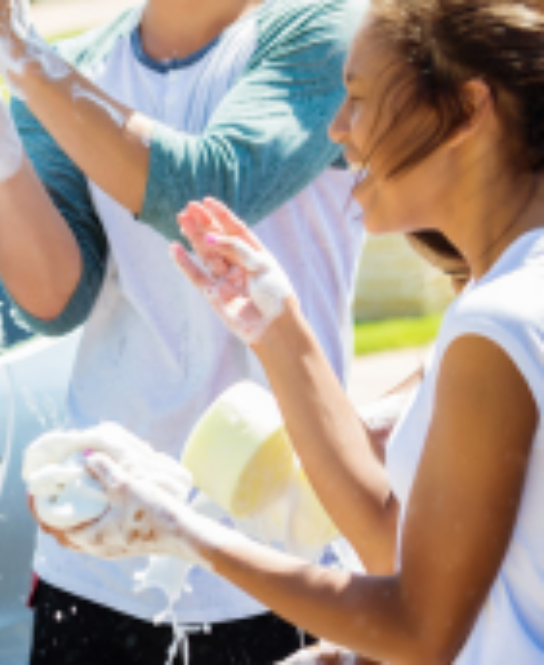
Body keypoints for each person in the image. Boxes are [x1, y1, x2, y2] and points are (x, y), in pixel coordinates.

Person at [0, 0, 365, 661]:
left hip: (276, 553)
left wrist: (26, 63)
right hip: (100, 547)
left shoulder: (318, 29)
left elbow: (206, 192)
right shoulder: (77, 64)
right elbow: (54, 295)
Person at [47, 0, 544, 662]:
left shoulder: (497, 324)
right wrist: (280, 329)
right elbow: (394, 545)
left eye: (360, 97)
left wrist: (182, 532)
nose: (337, 128)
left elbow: (421, 630)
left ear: (468, 108)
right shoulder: (502, 294)